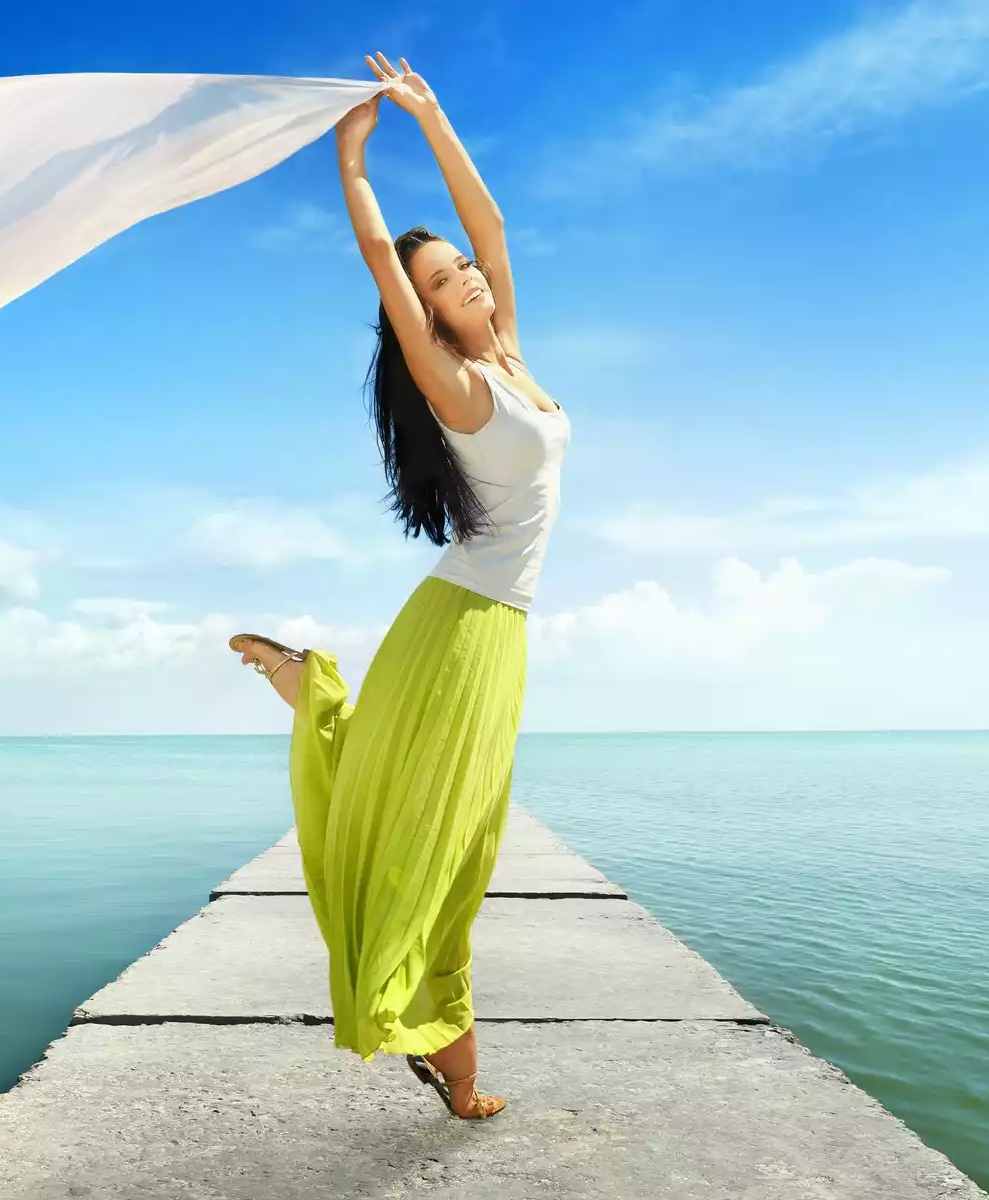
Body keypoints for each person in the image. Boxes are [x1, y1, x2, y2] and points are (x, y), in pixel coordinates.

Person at [225, 52, 569, 1121]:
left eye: (462, 268)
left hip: (497, 631)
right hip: (462, 627)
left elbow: (493, 224)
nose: (468, 276)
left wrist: (432, 115)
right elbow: (383, 258)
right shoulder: (453, 381)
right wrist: (353, 160)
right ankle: (456, 1076)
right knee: (436, 840)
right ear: (422, 314)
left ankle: (306, 686)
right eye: (445, 281)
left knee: (460, 839)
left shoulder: (509, 356)